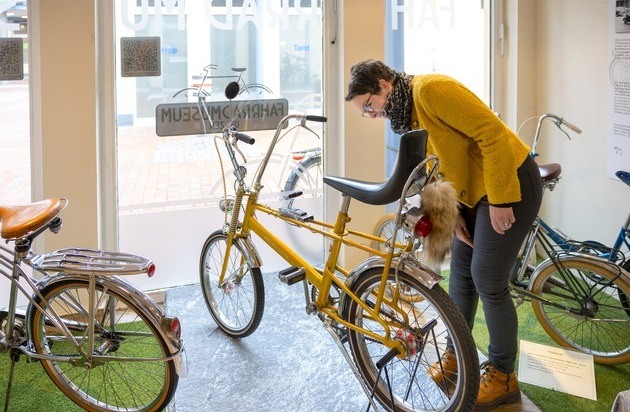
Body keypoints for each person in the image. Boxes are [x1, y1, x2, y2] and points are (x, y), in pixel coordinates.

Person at [345, 59, 542, 411]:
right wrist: (450, 218)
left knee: (488, 279)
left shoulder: (431, 89)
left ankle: (502, 376)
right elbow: (439, 165)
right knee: (461, 276)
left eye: (369, 107)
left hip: (510, 182)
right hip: (474, 194)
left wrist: (501, 198)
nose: (372, 115)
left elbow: (492, 133)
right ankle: (458, 355)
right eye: (365, 112)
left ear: (383, 85)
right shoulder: (412, 113)